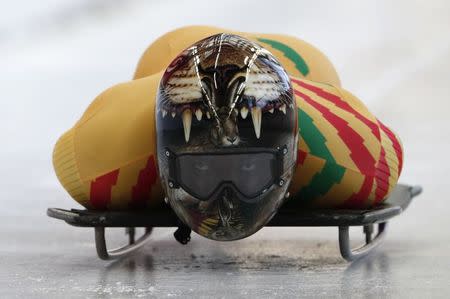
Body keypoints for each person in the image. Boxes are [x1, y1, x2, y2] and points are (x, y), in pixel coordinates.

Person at [53, 26, 403, 241]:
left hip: (294, 66)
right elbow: (391, 155)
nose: (225, 202)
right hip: (181, 59)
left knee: (323, 72)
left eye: (247, 170)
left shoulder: (99, 172)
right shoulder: (356, 167)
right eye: (202, 171)